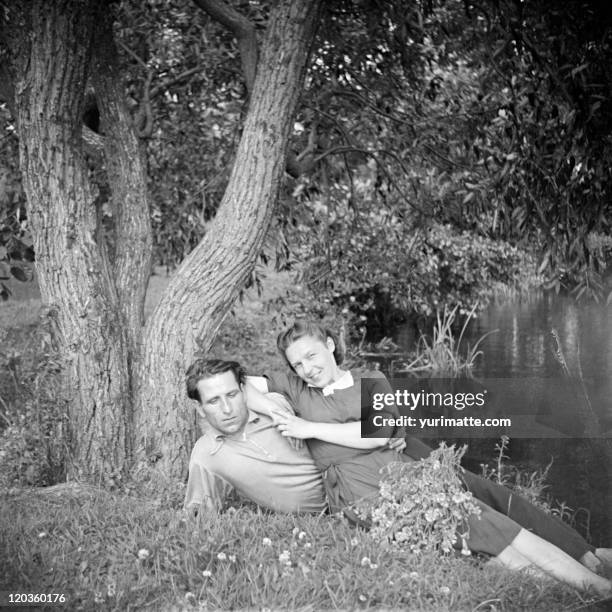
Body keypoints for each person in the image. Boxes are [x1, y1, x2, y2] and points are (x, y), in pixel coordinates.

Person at [183, 353, 612, 593]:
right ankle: (579, 577)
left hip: (400, 451)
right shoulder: (211, 452)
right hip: (360, 483)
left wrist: (272, 410)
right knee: (476, 522)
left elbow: (376, 427)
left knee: (491, 493)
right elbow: (198, 515)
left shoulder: (301, 400)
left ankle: (587, 555)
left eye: (231, 395)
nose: (226, 407)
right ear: (200, 407)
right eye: (214, 401)